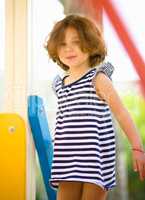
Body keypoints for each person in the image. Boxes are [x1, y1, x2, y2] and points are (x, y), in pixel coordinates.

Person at [45, 14, 145, 200]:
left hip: (95, 160)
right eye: (63, 44)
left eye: (76, 42)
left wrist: (137, 148)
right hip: (67, 160)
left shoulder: (98, 79)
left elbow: (122, 113)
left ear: (91, 43)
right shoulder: (58, 84)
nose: (69, 49)